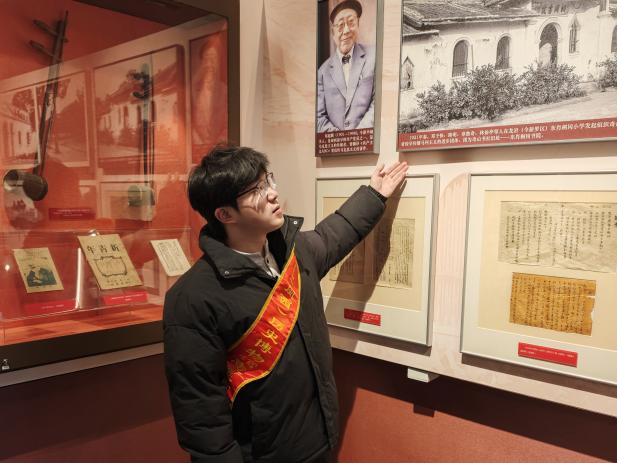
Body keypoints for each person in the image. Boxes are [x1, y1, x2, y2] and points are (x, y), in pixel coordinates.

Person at [163, 145, 408, 462]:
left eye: (268, 180)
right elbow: (200, 410)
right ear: (225, 214)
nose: (272, 194)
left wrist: (374, 194)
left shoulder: (295, 252)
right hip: (262, 454)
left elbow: (335, 234)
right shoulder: (193, 298)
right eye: (255, 191)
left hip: (317, 440)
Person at [317, 0, 375, 133]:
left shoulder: (374, 56)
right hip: (337, 143)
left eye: (351, 22)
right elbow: (318, 117)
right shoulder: (322, 72)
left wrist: (358, 136)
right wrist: (341, 139)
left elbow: (378, 102)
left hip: (367, 138)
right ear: (333, 32)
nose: (346, 30)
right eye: (341, 25)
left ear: (358, 25)